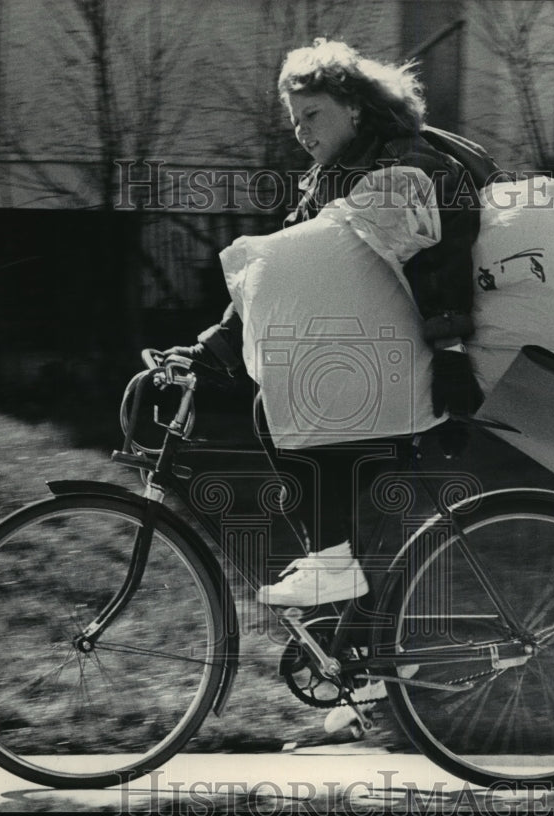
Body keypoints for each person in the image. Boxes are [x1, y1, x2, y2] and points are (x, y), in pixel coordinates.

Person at [168, 38, 497, 609]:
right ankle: (354, 650)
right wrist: (213, 349)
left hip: (422, 365)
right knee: (334, 511)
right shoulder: (327, 180)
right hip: (372, 364)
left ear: (354, 106)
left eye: (312, 115)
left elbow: (441, 259)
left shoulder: (410, 164)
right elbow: (276, 278)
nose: (302, 132)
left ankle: (340, 592)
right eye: (295, 121)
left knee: (291, 440)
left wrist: (449, 357)